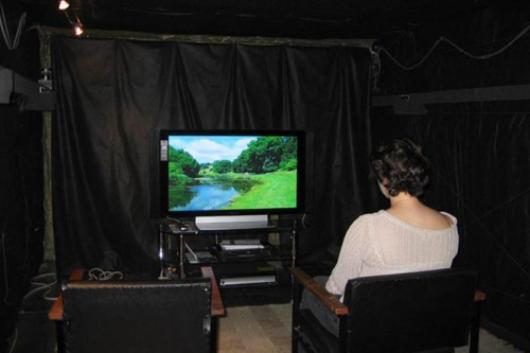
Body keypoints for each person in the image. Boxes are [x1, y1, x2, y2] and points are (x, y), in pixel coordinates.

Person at [302, 138, 459, 336]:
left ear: (384, 180)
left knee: (312, 287)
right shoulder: (449, 224)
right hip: (424, 324)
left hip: (368, 327)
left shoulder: (367, 225)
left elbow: (337, 285)